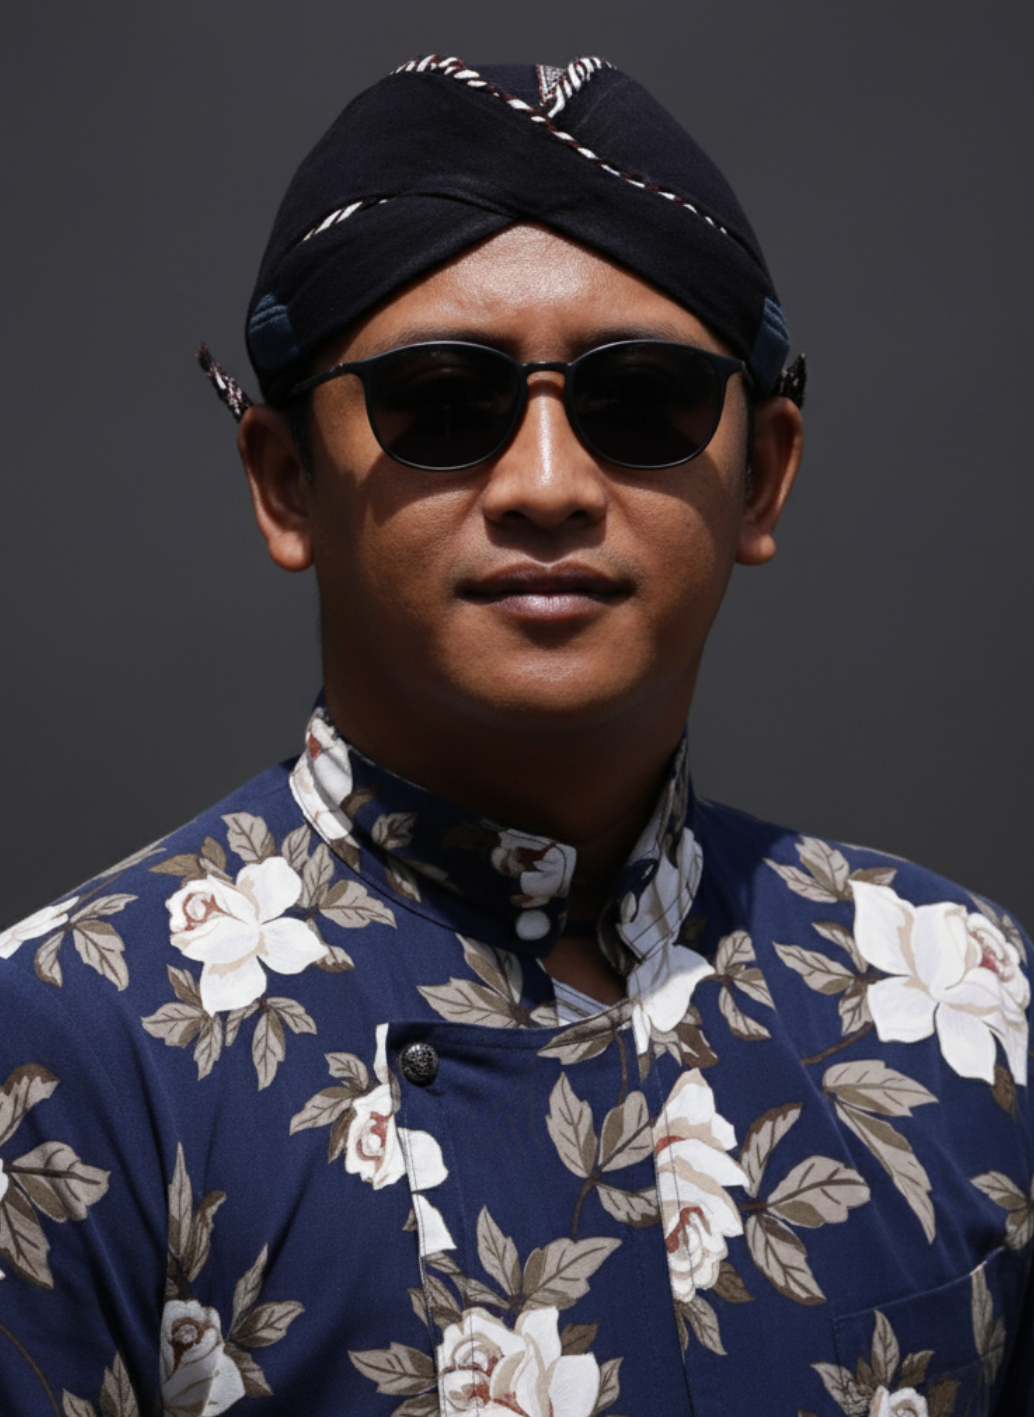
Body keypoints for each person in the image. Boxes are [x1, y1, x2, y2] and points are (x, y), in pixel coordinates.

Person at [0, 54, 1030, 1416]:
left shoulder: (961, 999)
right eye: (440, 401)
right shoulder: (71, 1045)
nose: (547, 485)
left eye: (643, 400)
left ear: (763, 476)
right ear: (287, 483)